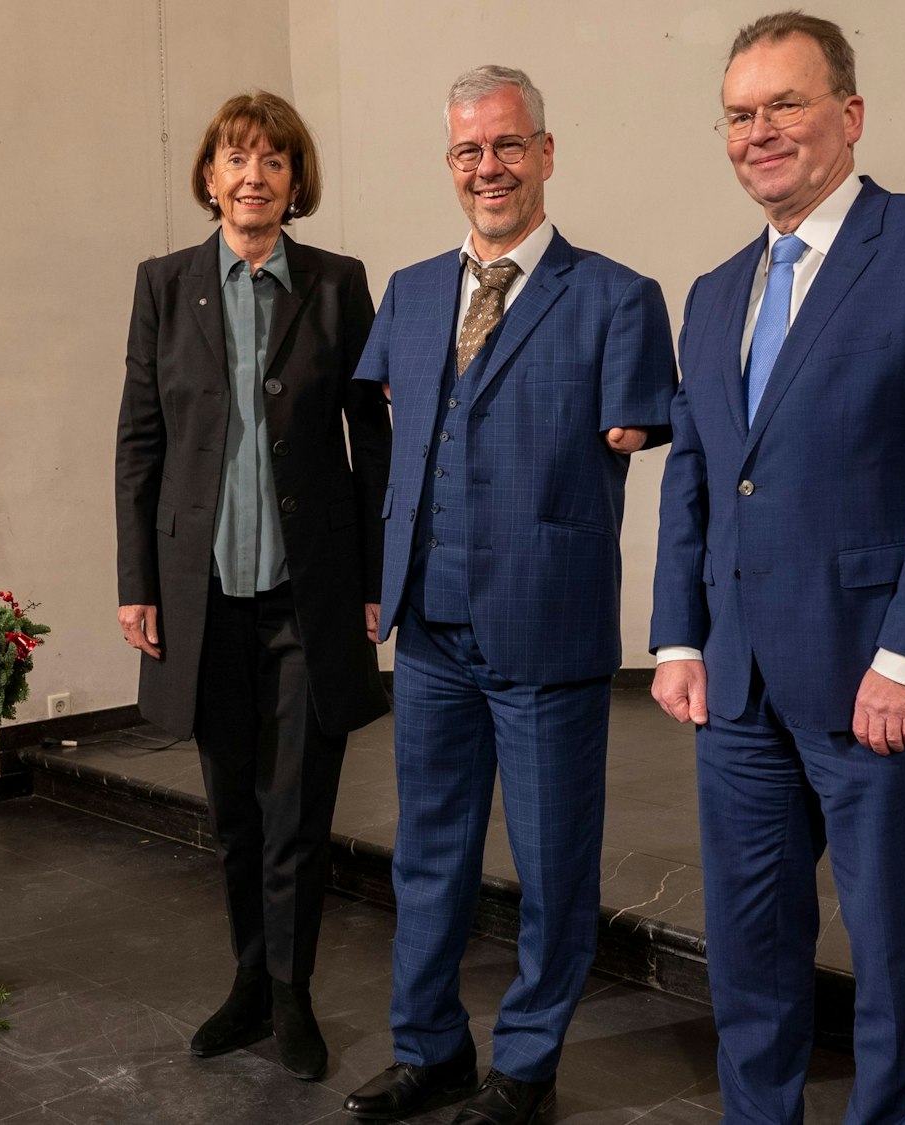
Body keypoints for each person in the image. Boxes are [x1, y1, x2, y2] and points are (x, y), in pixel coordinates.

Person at [649, 11, 905, 1124]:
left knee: (890, 950)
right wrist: (678, 635)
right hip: (741, 684)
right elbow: (699, 481)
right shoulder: (714, 290)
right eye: (738, 113)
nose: (758, 132)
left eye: (784, 104)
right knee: (750, 947)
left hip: (877, 680)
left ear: (847, 117)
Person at [342, 66, 676, 1125]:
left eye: (506, 145)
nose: (487, 167)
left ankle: (524, 1066)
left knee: (550, 868)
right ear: (450, 164)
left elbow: (637, 430)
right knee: (427, 858)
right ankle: (428, 1047)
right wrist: (375, 580)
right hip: (429, 628)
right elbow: (390, 446)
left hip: (545, 627)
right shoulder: (405, 292)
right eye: (466, 151)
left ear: (543, 151)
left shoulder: (618, 297)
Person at [113, 90, 391, 1082]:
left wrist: (373, 574)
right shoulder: (163, 286)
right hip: (200, 597)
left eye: (274, 160)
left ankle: (291, 995)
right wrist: (136, 580)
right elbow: (139, 441)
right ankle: (244, 982)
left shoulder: (335, 284)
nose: (254, 175)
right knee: (233, 810)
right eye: (237, 158)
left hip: (303, 596)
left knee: (297, 811)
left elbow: (372, 439)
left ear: (293, 182)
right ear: (208, 177)